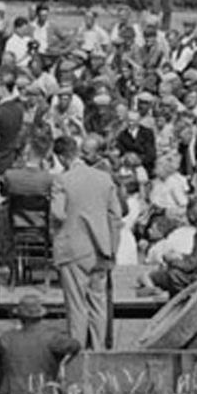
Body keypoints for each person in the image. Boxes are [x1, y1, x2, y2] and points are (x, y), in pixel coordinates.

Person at [50, 136, 120, 351]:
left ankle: (77, 351)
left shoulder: (62, 180)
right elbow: (116, 217)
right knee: (98, 303)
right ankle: (100, 351)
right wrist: (112, 248)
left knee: (77, 305)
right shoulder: (104, 178)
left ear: (61, 157)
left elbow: (58, 213)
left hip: (74, 248)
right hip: (101, 248)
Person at [0, 294, 81, 394]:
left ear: (20, 317)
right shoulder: (52, 338)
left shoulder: (8, 338)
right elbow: (75, 345)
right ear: (40, 316)